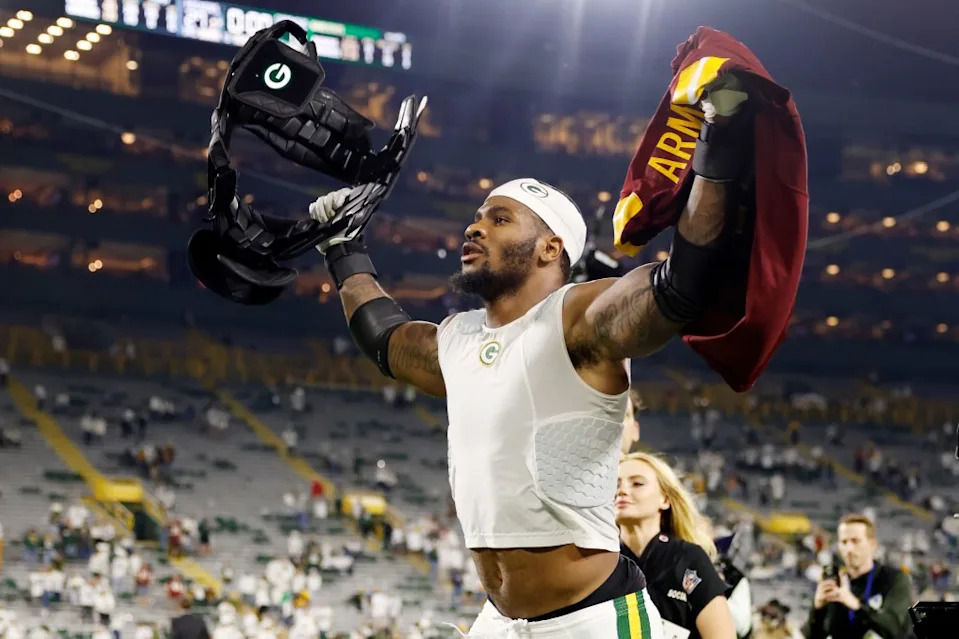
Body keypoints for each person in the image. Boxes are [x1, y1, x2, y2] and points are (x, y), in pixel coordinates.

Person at [310, 82, 753, 636]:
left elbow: (680, 287)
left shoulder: (576, 317)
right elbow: (386, 340)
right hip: (500, 620)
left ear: (550, 248)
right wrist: (343, 248)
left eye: (499, 219)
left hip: (591, 621)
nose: (474, 227)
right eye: (477, 217)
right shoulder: (460, 337)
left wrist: (719, 137)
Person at [617, 452, 736, 639]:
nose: (622, 490)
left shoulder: (688, 558)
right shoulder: (600, 561)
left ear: (664, 499)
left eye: (637, 483)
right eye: (615, 484)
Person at [803, 514, 913, 639]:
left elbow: (893, 629)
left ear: (872, 544)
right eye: (844, 542)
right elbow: (812, 636)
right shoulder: (835, 586)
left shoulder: (894, 579)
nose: (849, 548)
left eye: (855, 541)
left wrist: (856, 605)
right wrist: (818, 608)